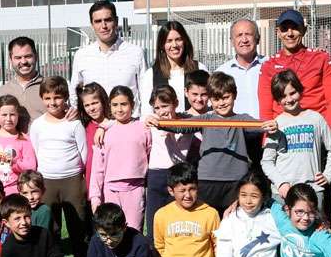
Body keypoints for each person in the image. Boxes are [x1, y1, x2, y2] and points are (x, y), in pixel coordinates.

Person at [147, 72, 277, 216]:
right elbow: (181, 126)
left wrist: (267, 125)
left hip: (235, 181)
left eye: (226, 97)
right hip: (207, 180)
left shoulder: (241, 119)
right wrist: (159, 123)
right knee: (206, 220)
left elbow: (258, 125)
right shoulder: (206, 118)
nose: (221, 103)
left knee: (232, 222)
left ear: (234, 95)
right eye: (216, 99)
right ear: (210, 100)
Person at [258, 9, 331, 223]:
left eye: (294, 27)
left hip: (313, 142)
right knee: (284, 209)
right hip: (284, 143)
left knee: (319, 209)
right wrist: (271, 138)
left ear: (303, 29)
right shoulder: (269, 65)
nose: (290, 33)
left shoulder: (320, 58)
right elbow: (266, 108)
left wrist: (320, 136)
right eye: (284, 28)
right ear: (278, 32)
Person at [29, 76, 89, 257]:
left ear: (65, 98)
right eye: (47, 98)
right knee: (49, 228)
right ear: (42, 99)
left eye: (57, 97)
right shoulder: (37, 125)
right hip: (47, 182)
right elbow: (36, 151)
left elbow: (84, 153)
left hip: (72, 182)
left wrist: (79, 178)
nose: (52, 102)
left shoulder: (74, 123)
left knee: (78, 228)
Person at [261, 69, 331, 215]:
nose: (289, 99)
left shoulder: (316, 119)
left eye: (292, 93)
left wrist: (328, 175)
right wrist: (281, 184)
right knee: (283, 234)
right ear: (277, 100)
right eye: (283, 96)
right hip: (283, 193)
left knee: (313, 232)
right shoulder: (276, 124)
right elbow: (267, 161)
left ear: (300, 91)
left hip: (313, 191)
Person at [89, 86, 151, 233]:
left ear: (133, 105)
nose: (120, 109)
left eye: (124, 104)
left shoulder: (143, 128)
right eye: (115, 105)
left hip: (135, 189)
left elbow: (149, 154)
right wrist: (95, 197)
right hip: (110, 190)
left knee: (133, 231)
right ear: (109, 106)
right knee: (111, 230)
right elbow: (97, 169)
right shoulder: (104, 132)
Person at [69, 0, 147, 115]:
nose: (103, 26)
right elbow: (74, 92)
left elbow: (145, 92)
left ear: (116, 21)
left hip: (128, 126)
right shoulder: (81, 55)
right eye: (98, 21)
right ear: (92, 25)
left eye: (108, 20)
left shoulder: (135, 53)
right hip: (95, 126)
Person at [145, 86, 196, 242]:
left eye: (165, 106)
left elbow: (178, 154)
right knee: (154, 221)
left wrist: (171, 129)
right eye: (157, 108)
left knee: (177, 220)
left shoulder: (187, 123)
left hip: (177, 173)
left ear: (175, 104)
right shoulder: (152, 122)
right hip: (156, 175)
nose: (161, 111)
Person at [217, 18, 266, 165]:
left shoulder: (270, 66)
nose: (244, 39)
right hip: (235, 139)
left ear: (257, 38)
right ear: (232, 40)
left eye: (248, 34)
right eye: (239, 35)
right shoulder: (221, 72)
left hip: (266, 137)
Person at [140, 20, 207, 115]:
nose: (174, 45)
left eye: (178, 39)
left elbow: (209, 103)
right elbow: (147, 113)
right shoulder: (150, 75)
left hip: (195, 127)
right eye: (169, 41)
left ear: (184, 42)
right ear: (162, 45)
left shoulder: (199, 68)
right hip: (164, 129)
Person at [0, 95, 37, 195]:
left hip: (15, 192)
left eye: (12, 114)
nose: (8, 119)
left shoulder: (24, 139)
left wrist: (14, 162)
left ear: (18, 115)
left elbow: (32, 166)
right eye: (4, 115)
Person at [0, 36, 46, 132]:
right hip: (14, 146)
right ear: (10, 60)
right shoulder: (2, 92)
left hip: (44, 146)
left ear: (36, 57)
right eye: (18, 58)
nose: (23, 61)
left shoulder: (49, 88)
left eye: (28, 56)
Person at [76, 82, 111, 189]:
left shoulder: (114, 123)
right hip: (91, 181)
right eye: (87, 105)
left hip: (110, 179)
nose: (91, 108)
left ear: (104, 102)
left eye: (95, 103)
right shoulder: (83, 126)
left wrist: (104, 125)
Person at [18, 170, 54, 235]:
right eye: (25, 193)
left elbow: (42, 238)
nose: (30, 197)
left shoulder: (44, 211)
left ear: (43, 191)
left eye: (34, 192)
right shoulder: (19, 209)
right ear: (20, 194)